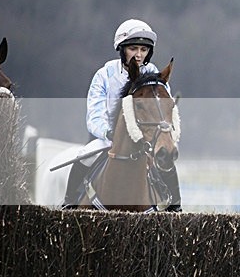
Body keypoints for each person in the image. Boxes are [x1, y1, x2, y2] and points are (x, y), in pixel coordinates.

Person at [62, 19, 182, 210]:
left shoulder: (154, 75)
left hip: (146, 139)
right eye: (133, 48)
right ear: (122, 49)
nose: (139, 54)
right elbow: (94, 115)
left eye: (144, 50)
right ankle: (69, 204)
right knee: (84, 155)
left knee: (166, 160)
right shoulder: (104, 75)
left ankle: (175, 207)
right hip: (110, 139)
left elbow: (164, 110)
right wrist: (109, 133)